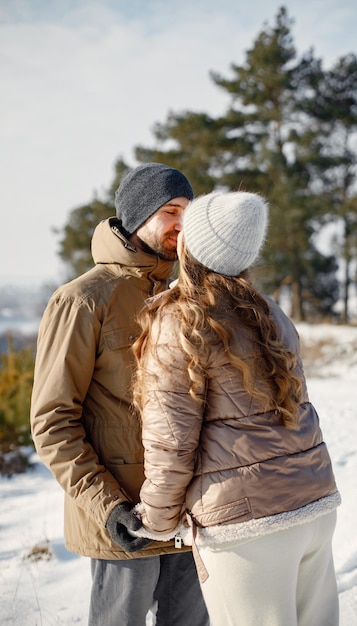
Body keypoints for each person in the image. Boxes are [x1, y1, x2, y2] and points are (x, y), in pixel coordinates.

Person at [132, 191, 342, 626]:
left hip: (248, 528)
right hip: (314, 504)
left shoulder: (181, 321)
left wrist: (152, 520)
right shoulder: (269, 312)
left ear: (193, 245)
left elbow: (171, 442)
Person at [30, 163, 209, 626]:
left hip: (188, 518)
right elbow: (52, 422)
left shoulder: (181, 296)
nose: (181, 224)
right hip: (124, 524)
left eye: (188, 212)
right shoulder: (83, 299)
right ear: (137, 217)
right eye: (171, 211)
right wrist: (109, 508)